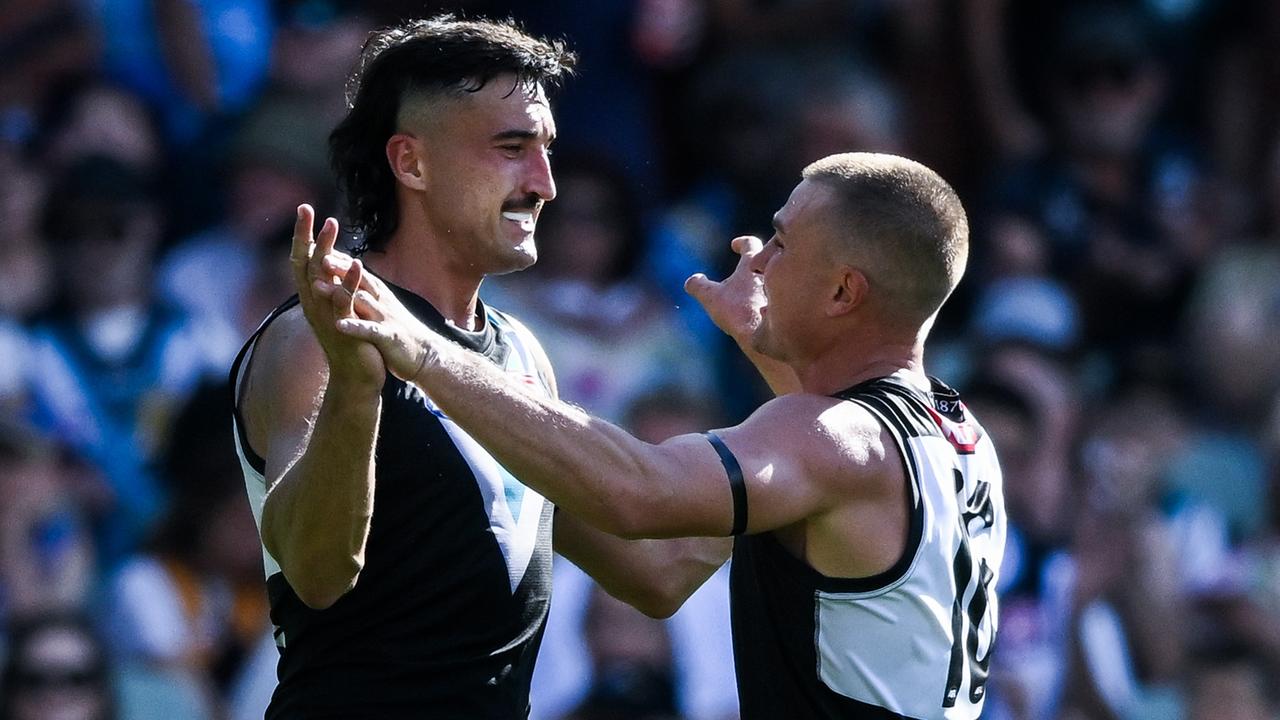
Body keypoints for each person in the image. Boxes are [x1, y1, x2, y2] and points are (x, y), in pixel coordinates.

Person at [308, 151, 1007, 719]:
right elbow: (676, 569)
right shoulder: (960, 433)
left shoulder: (830, 441)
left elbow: (640, 494)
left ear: (842, 294)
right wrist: (768, 344)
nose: (756, 260)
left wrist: (425, 351)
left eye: (783, 244)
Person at [231, 16, 727, 719]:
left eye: (546, 150)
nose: (546, 183)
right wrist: (356, 388)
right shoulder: (316, 337)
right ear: (412, 163)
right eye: (512, 148)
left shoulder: (522, 353)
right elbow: (315, 573)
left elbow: (655, 575)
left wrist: (794, 402)